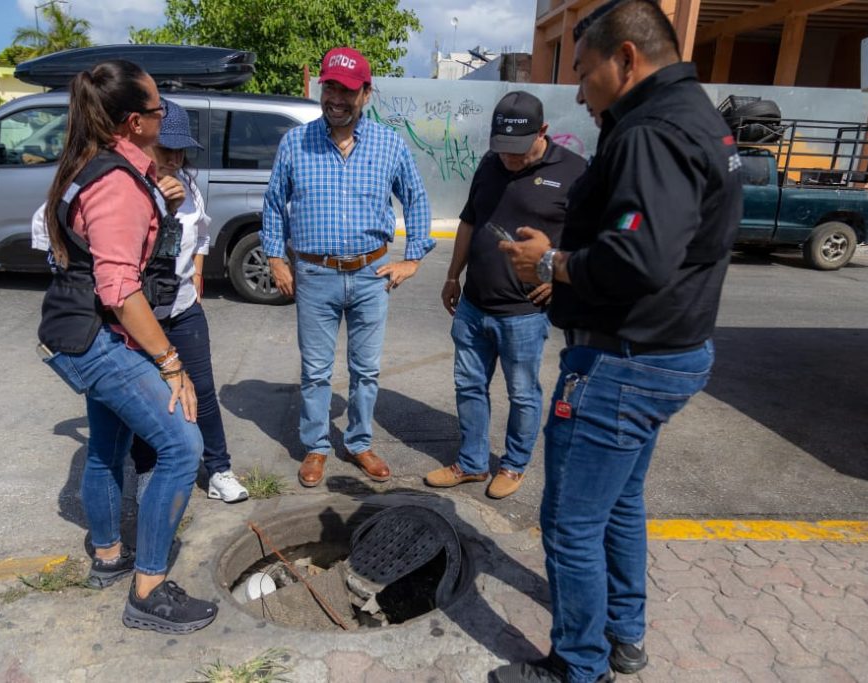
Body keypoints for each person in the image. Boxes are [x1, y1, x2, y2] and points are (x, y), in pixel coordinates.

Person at [492, 1, 743, 681]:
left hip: (623, 363)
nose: (578, 92)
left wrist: (551, 262)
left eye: (583, 72)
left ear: (626, 58)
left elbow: (640, 257)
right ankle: (623, 635)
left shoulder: (652, 131)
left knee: (570, 523)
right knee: (620, 502)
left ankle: (579, 665)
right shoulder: (698, 117)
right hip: (667, 352)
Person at [36, 59, 217, 634]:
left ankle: (110, 556)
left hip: (82, 330)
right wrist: (171, 364)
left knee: (106, 448)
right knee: (182, 447)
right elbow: (119, 289)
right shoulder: (116, 182)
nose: (165, 116)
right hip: (97, 337)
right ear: (136, 122)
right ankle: (148, 591)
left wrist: (158, 201)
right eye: (159, 108)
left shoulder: (97, 165)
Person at [261, 46, 434, 488]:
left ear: (366, 94)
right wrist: (276, 258)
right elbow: (274, 204)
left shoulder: (389, 144)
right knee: (316, 371)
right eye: (330, 88)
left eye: (347, 91)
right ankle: (317, 446)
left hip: (370, 275)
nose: (336, 99)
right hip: (314, 275)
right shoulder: (295, 143)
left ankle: (358, 442)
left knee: (366, 370)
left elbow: (416, 198)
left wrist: (413, 258)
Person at [424, 92, 585, 500]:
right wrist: (452, 276)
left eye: (517, 148)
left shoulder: (574, 171)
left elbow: (590, 239)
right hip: (474, 304)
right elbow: (469, 221)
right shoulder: (489, 162)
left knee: (523, 394)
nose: (508, 157)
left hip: (524, 313)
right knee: (469, 386)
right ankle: (472, 463)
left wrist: (561, 278)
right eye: (502, 147)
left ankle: (513, 465)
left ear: (542, 131)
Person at [131, 99, 249, 505]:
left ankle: (218, 469)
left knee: (202, 391)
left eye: (181, 151)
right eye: (166, 149)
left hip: (183, 309)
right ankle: (148, 476)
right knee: (150, 400)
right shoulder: (126, 187)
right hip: (139, 317)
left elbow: (201, 234)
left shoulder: (188, 185)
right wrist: (159, 204)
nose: (175, 159)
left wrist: (196, 274)